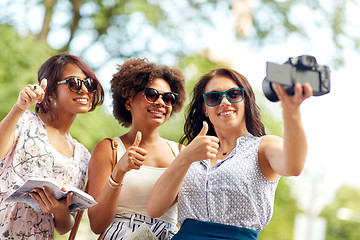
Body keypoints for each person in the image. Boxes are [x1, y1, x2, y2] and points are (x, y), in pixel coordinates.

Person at [147, 67, 313, 239]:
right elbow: (154, 209)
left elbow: (294, 166)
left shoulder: (263, 146)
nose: (224, 101)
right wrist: (185, 157)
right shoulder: (191, 154)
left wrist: (291, 110)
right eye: (213, 97)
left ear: (245, 100)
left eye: (233, 94)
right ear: (205, 109)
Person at [0, 53, 104, 239]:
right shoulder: (24, 121)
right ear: (51, 90)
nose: (84, 90)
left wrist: (60, 211)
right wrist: (19, 107)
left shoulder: (82, 155)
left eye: (89, 84)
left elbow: (64, 227)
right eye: (74, 83)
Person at [87, 58, 186, 239]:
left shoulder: (181, 153)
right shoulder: (109, 149)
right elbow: (96, 224)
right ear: (128, 102)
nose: (161, 102)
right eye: (152, 94)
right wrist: (119, 172)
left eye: (168, 98)